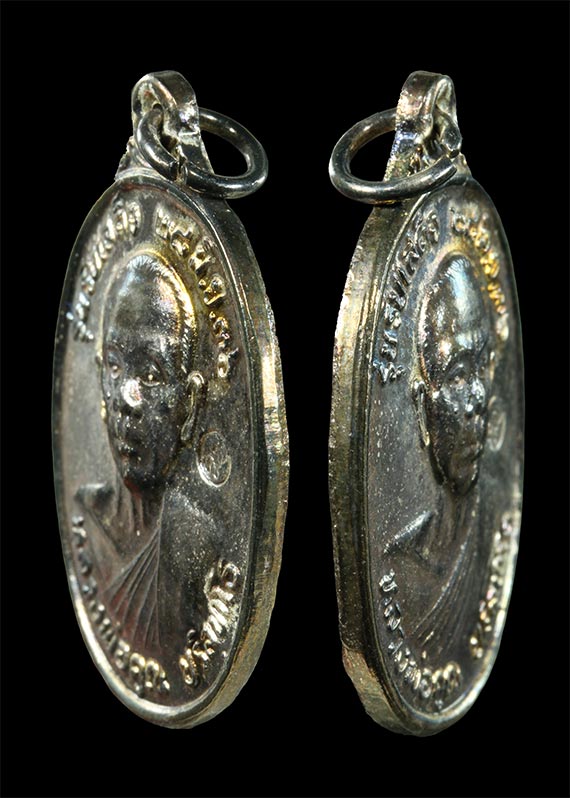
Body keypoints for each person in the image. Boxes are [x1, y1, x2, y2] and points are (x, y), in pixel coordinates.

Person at [77, 253, 228, 663]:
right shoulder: (87, 514)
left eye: (151, 374)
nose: (128, 398)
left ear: (189, 404)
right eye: (115, 367)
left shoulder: (199, 546)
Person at [387, 254, 495, 660]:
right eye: (458, 374)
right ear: (422, 408)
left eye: (482, 366)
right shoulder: (400, 564)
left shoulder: (494, 527)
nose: (477, 399)